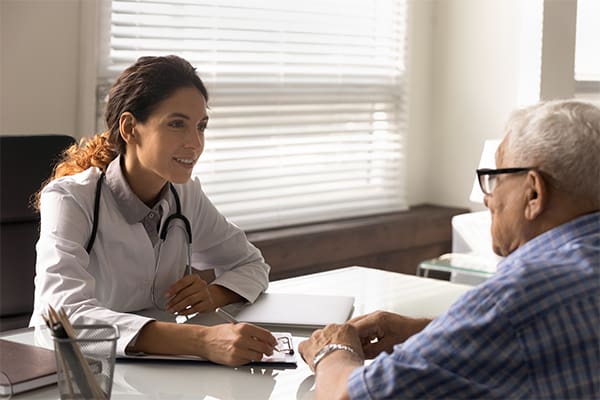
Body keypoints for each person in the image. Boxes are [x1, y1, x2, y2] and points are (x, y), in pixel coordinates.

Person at [299, 99, 600, 399]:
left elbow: (347, 396)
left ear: (533, 192)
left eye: (495, 179)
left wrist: (332, 349)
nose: (488, 198)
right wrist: (432, 332)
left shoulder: (514, 300)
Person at [29, 55, 278, 366]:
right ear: (131, 128)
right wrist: (203, 340)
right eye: (177, 124)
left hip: (163, 368)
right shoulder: (70, 200)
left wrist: (213, 295)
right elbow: (61, 318)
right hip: (86, 372)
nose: (195, 143)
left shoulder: (186, 195)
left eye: (200, 126)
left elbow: (250, 263)